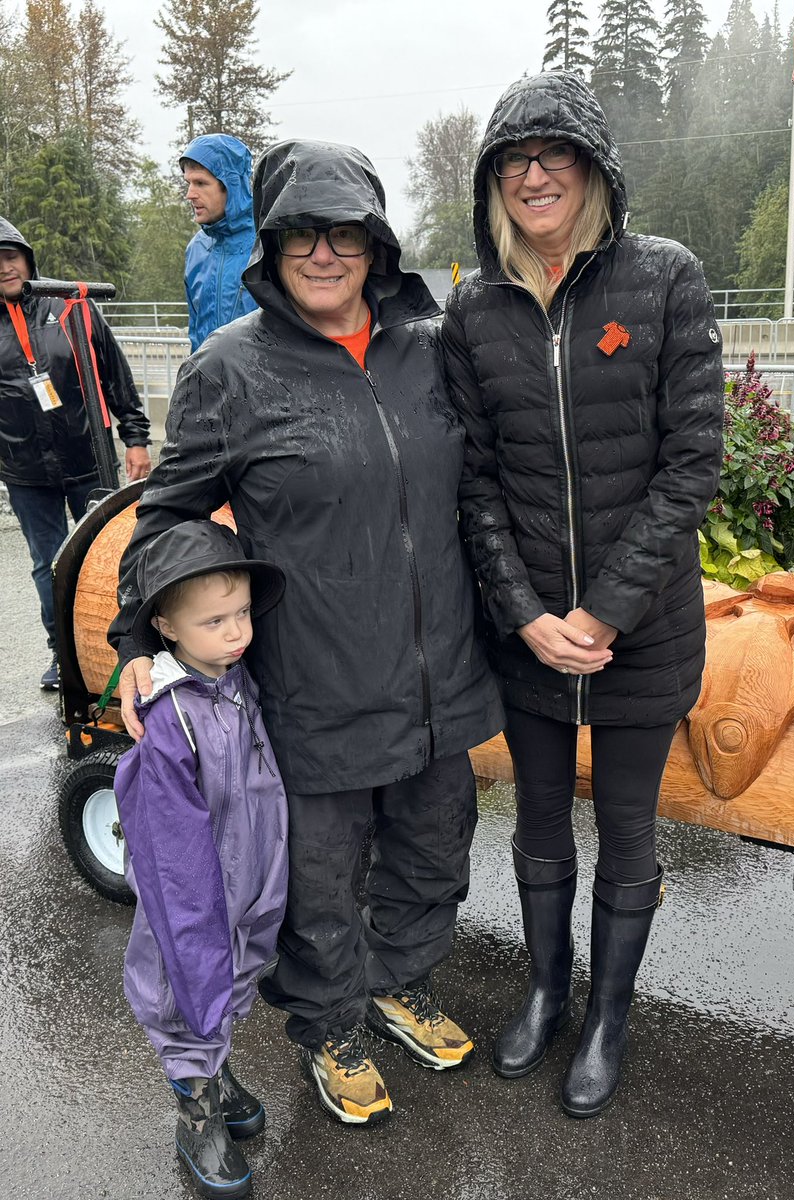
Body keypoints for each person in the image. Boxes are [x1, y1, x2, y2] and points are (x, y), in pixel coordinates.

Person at [109, 139, 503, 1129]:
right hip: (315, 683)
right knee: (319, 880)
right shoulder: (229, 371)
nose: (323, 255)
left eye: (345, 234)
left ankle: (397, 979)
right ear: (272, 246)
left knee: (432, 850)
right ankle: (328, 1022)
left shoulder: (428, 349)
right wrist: (137, 642)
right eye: (300, 235)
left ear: (376, 246)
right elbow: (167, 520)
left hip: (438, 675)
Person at [441, 70, 724, 1119]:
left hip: (640, 632)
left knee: (630, 831)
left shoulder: (664, 280)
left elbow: (691, 462)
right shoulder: (473, 308)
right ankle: (547, 991)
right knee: (539, 825)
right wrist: (524, 614)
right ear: (492, 186)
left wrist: (601, 612)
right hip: (527, 634)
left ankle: (609, 1015)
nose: (533, 175)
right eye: (513, 161)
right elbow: (471, 481)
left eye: (554, 154)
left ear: (594, 169)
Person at [115, 519, 287, 1199]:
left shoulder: (236, 680)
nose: (236, 631)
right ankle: (195, 1107)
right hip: (194, 903)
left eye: (242, 612)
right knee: (187, 993)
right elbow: (172, 857)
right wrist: (197, 927)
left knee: (232, 983)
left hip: (249, 885)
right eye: (214, 620)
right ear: (166, 627)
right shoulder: (168, 718)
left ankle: (213, 1070)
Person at [0, 216, 151, 690]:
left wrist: (136, 437)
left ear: (27, 259)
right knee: (48, 562)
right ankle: (62, 654)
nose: (4, 268)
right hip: (24, 471)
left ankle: (122, 648)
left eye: (10, 256)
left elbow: (116, 376)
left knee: (108, 555)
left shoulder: (72, 309)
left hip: (89, 458)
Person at [180, 134, 258, 351]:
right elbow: (196, 333)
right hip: (206, 381)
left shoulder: (267, 246)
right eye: (189, 183)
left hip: (261, 382)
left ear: (231, 185)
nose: (190, 194)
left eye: (201, 183)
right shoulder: (196, 249)